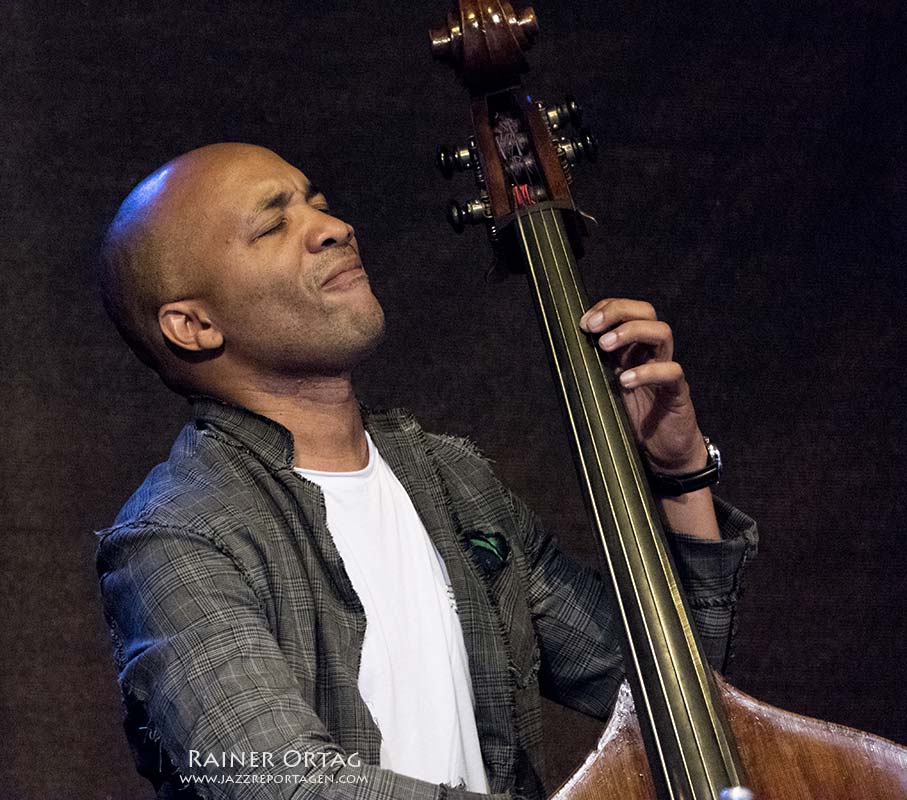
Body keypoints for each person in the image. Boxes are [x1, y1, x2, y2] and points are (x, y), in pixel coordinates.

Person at [96, 143, 757, 800]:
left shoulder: (451, 479)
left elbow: (672, 690)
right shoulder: (175, 536)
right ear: (193, 325)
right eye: (274, 225)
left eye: (318, 206)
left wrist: (678, 475)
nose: (333, 229)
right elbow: (282, 785)